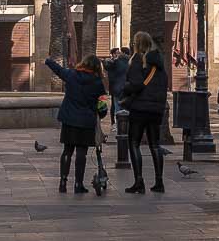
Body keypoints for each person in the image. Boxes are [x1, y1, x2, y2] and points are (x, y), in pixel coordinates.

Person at [44, 54, 108, 194]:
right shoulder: (98, 83)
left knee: (67, 150)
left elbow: (58, 70)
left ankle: (63, 182)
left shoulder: (72, 75)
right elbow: (102, 106)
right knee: (81, 153)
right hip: (86, 122)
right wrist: (100, 115)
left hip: (69, 119)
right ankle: (78, 184)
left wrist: (48, 60)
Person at [120, 31, 168, 194]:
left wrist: (125, 89)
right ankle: (159, 182)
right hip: (156, 110)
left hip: (140, 108)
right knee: (155, 144)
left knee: (134, 143)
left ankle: (139, 181)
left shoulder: (137, 60)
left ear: (136, 44)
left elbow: (136, 84)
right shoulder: (160, 63)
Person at [104, 47, 130, 128]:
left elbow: (107, 67)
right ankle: (124, 126)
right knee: (125, 108)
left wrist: (105, 61)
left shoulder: (115, 62)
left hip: (116, 88)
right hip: (126, 88)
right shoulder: (130, 62)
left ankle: (117, 126)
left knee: (117, 108)